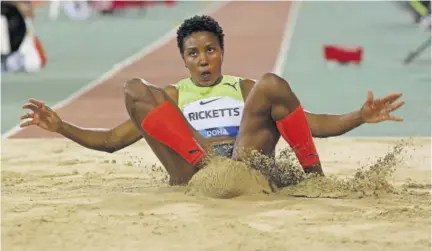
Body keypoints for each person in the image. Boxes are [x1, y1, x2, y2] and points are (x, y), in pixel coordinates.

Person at [20, 15, 405, 186]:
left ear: (222, 52)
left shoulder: (244, 87)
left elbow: (312, 124)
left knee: (272, 82)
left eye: (210, 50)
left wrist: (359, 115)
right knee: (134, 87)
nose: (203, 59)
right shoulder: (171, 96)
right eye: (193, 53)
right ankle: (205, 162)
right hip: (196, 176)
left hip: (245, 167)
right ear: (183, 59)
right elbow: (111, 142)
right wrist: (62, 127)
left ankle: (316, 181)